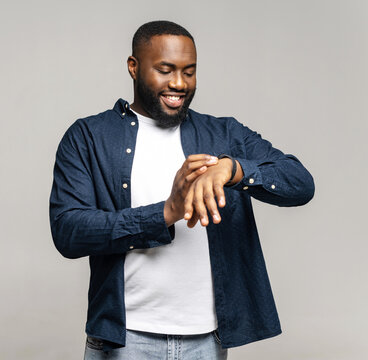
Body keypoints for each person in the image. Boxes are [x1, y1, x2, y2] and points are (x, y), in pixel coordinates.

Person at [49, 20, 314, 359]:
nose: (178, 83)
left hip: (207, 341)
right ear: (134, 67)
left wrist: (234, 170)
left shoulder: (224, 134)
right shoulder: (88, 137)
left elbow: (300, 183)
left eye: (189, 72)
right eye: (165, 70)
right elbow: (68, 232)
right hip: (125, 340)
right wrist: (165, 213)